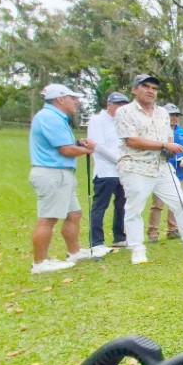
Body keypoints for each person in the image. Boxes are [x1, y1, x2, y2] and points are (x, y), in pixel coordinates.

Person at [115, 74, 183, 264]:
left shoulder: (162, 112)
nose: (151, 91)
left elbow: (168, 137)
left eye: (154, 88)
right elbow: (132, 140)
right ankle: (137, 248)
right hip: (136, 166)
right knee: (135, 208)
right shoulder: (125, 112)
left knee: (182, 202)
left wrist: (169, 148)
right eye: (145, 87)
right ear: (134, 89)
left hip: (162, 166)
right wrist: (164, 145)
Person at [29, 83, 108, 274]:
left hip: (61, 173)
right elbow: (65, 149)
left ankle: (74, 252)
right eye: (73, 98)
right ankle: (40, 263)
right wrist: (86, 149)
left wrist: (79, 143)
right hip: (52, 173)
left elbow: (65, 144)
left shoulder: (56, 118)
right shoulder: (49, 117)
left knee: (74, 214)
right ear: (60, 99)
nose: (76, 102)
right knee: (48, 218)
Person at [86, 91, 129, 256]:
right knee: (100, 207)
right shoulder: (98, 120)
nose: (120, 108)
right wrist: (119, 160)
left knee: (121, 205)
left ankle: (119, 236)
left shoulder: (122, 122)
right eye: (117, 104)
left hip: (122, 171)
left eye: (123, 105)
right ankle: (96, 242)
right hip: (105, 172)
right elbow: (97, 146)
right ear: (109, 104)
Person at [147, 103, 183, 243]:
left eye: (176, 115)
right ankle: (153, 233)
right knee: (157, 205)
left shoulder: (182, 133)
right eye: (171, 115)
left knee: (178, 203)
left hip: (179, 173)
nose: (174, 118)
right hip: (162, 173)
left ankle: (173, 230)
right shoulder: (158, 131)